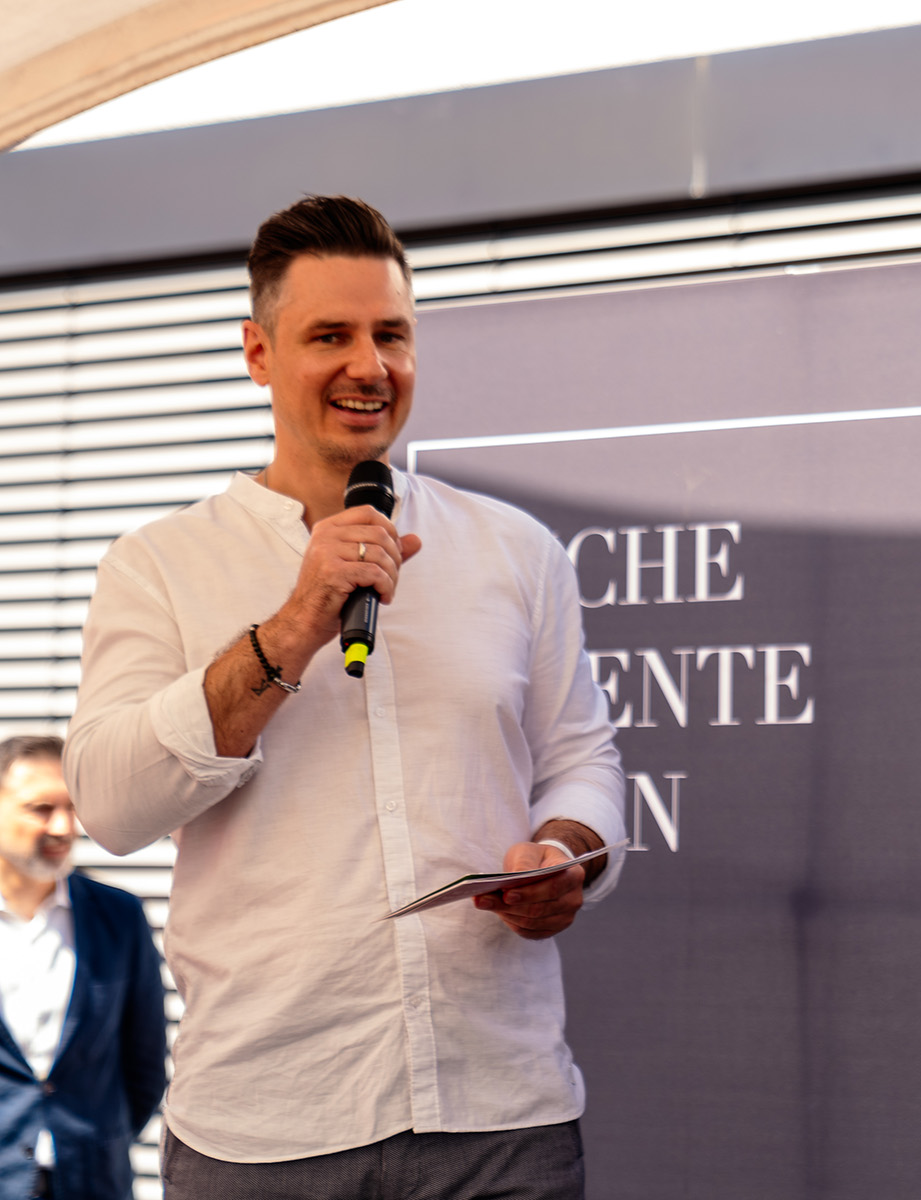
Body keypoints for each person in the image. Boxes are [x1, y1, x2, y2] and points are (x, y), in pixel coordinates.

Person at [65, 196, 627, 1199]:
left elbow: (581, 757)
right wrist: (293, 625)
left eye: (392, 335)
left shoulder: (516, 550)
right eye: (331, 335)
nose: (370, 366)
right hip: (267, 1126)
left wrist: (568, 854)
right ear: (258, 353)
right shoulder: (157, 564)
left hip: (503, 1115)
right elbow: (110, 805)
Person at [0, 735, 166, 1200]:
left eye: (73, 809)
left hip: (94, 1180)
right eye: (41, 808)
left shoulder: (119, 916)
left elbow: (145, 1063)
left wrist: (99, 1141)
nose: (64, 827)